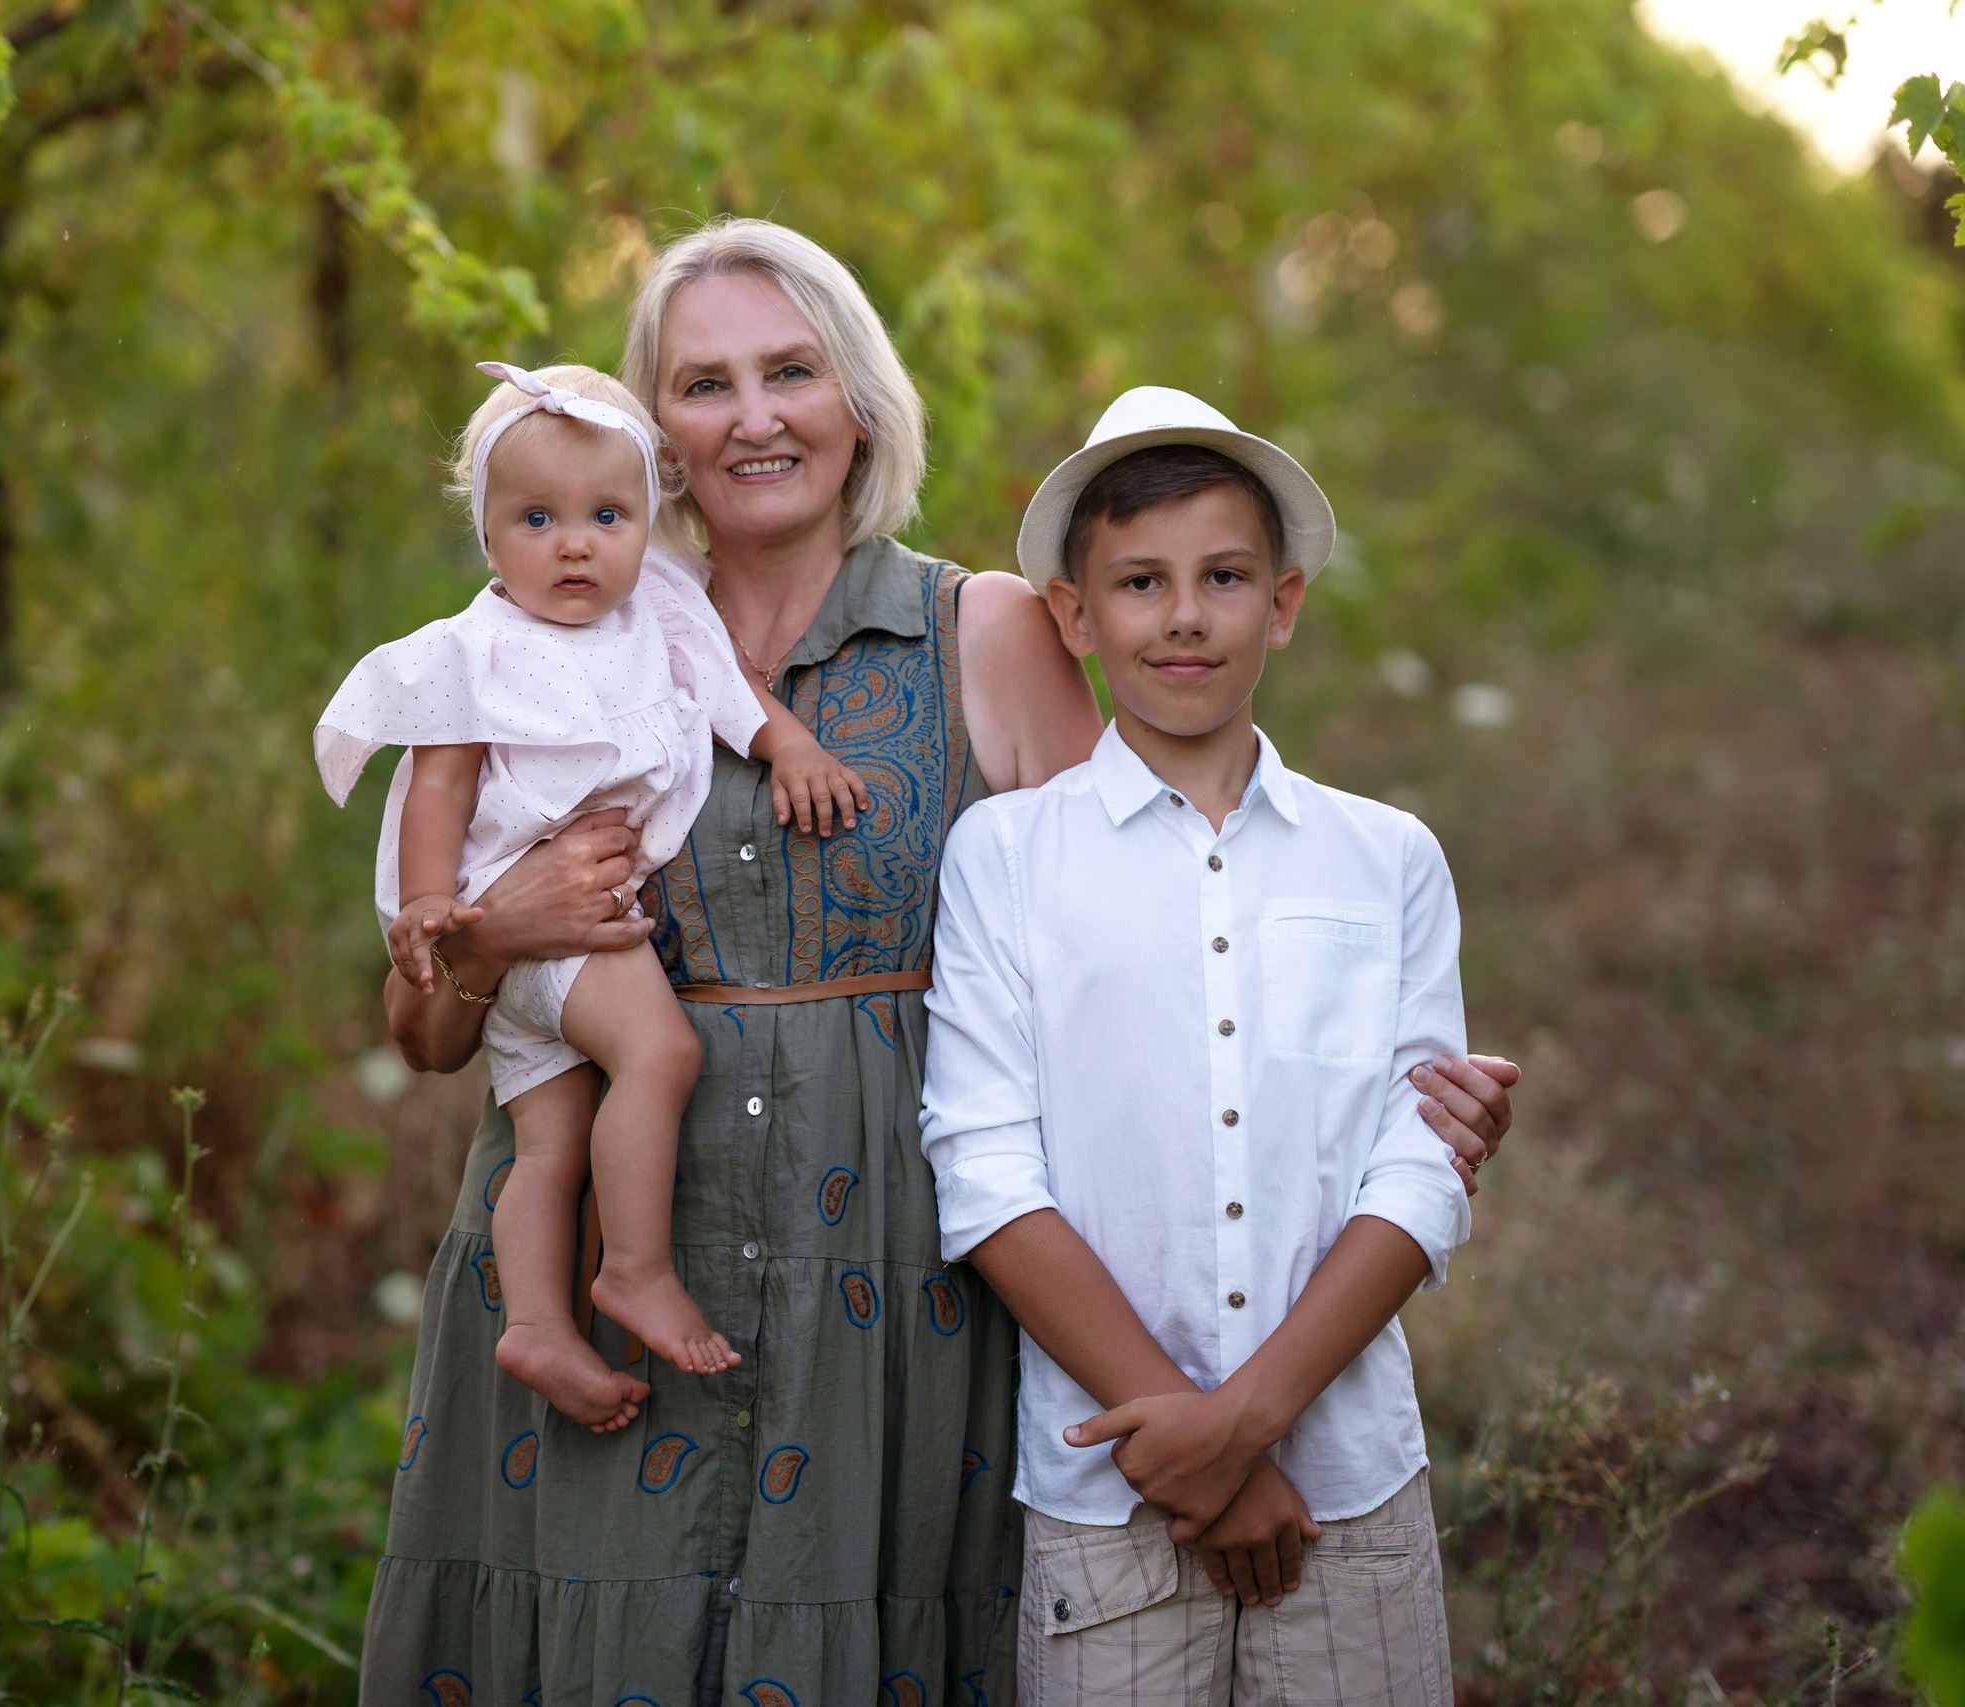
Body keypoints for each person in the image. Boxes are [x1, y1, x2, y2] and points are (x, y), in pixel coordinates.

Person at [361, 220, 1519, 1707]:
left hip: (898, 1285)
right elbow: (428, 1030)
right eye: (704, 383)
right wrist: (498, 928)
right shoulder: (550, 637)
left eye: (792, 369)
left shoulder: (975, 627)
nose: (757, 414)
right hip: (603, 1262)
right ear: (649, 432)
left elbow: (1151, 926)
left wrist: (1385, 1088)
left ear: (859, 398)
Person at [921, 386, 1476, 1703]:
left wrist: (1242, 1422)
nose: (1182, 614)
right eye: (1139, 581)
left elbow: (1421, 1163)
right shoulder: (1006, 856)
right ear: (1076, 617)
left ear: (1281, 604)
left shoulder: (1384, 855)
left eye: (1223, 576)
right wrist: (1190, 1444)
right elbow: (988, 1171)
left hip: (1349, 1480)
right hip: (1109, 1485)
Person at [316, 361, 871, 1430]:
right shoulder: (473, 653)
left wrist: (788, 743)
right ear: (486, 538)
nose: (576, 544)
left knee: (552, 1145)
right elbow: (438, 783)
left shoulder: (653, 609)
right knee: (660, 1056)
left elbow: (728, 690)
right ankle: (633, 1268)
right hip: (535, 920)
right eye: (537, 518)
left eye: (606, 516)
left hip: (539, 960)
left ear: (648, 521)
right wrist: (430, 903)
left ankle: (536, 1326)